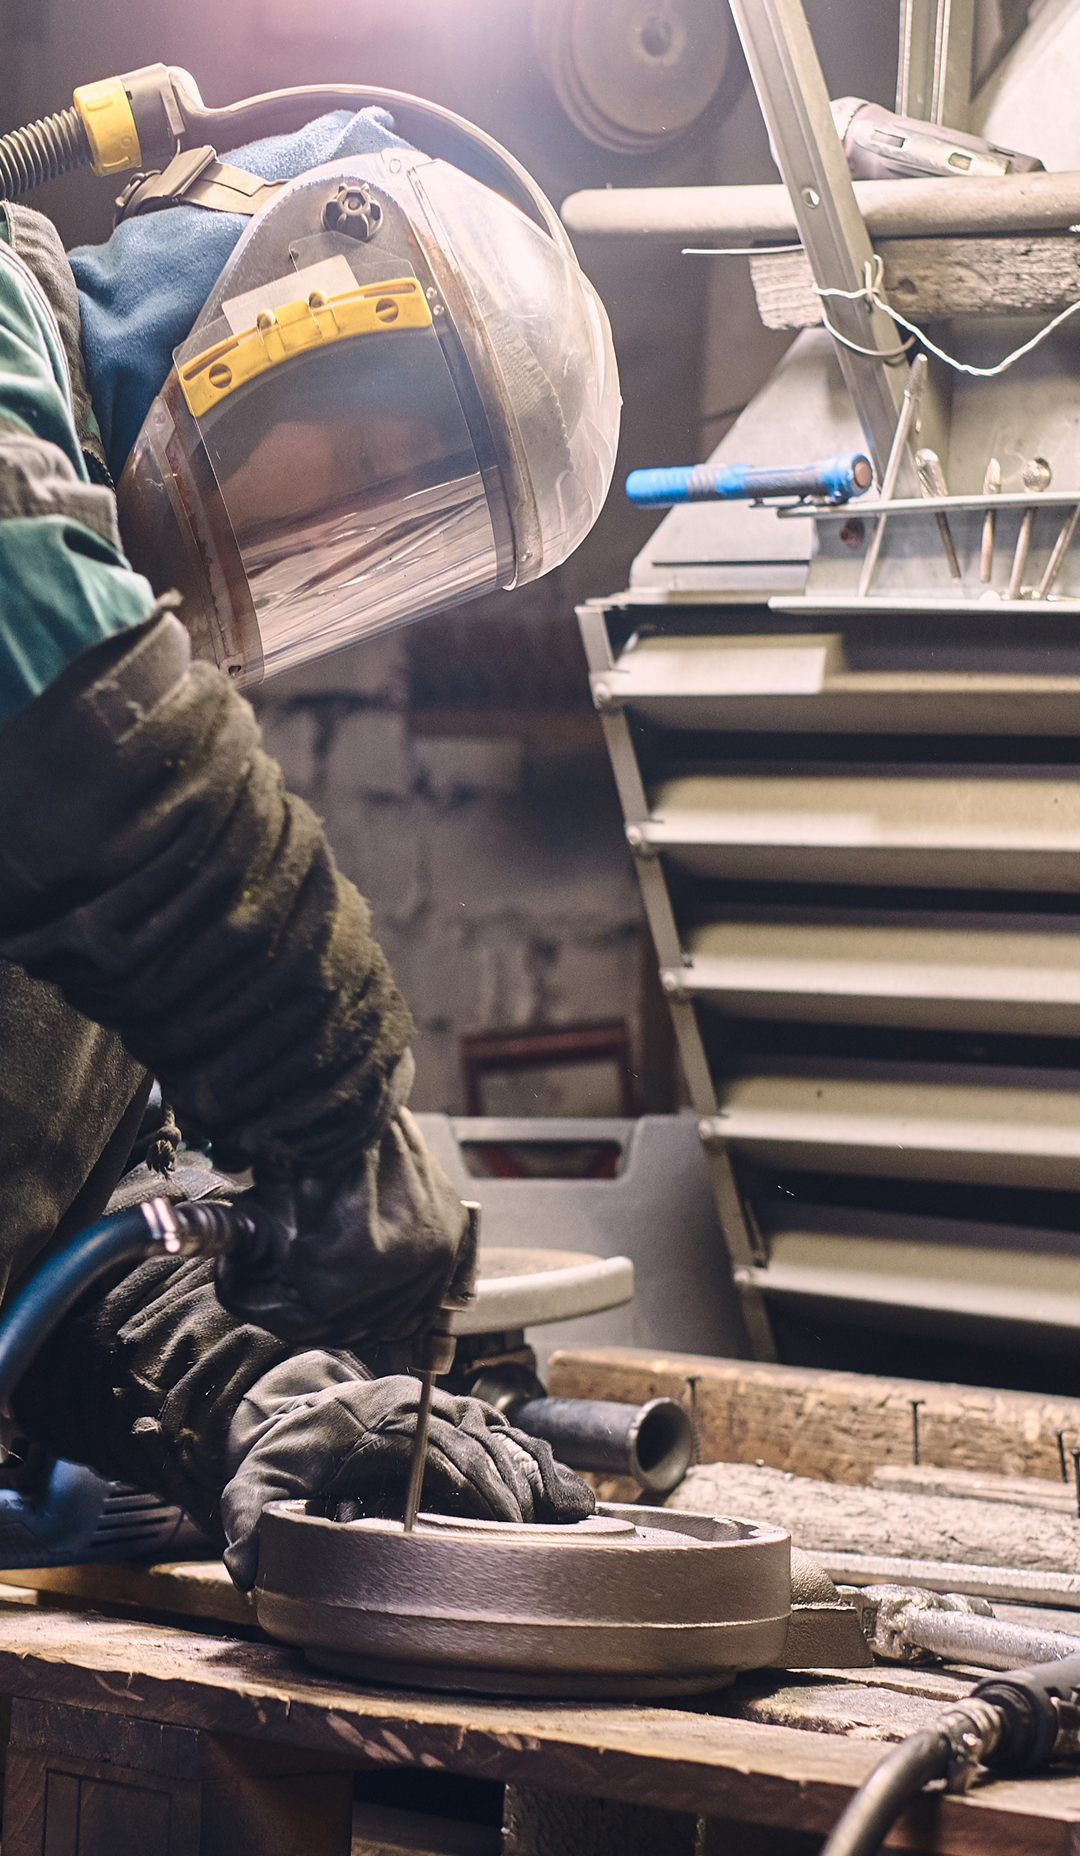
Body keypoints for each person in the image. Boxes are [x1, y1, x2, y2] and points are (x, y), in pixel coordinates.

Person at [0, 102, 619, 1586]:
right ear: (272, 317)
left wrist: (239, 1391)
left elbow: (44, 1211)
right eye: (357, 469)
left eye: (394, 545)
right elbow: (50, 663)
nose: (328, 555)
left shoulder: (76, 850)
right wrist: (328, 1094)